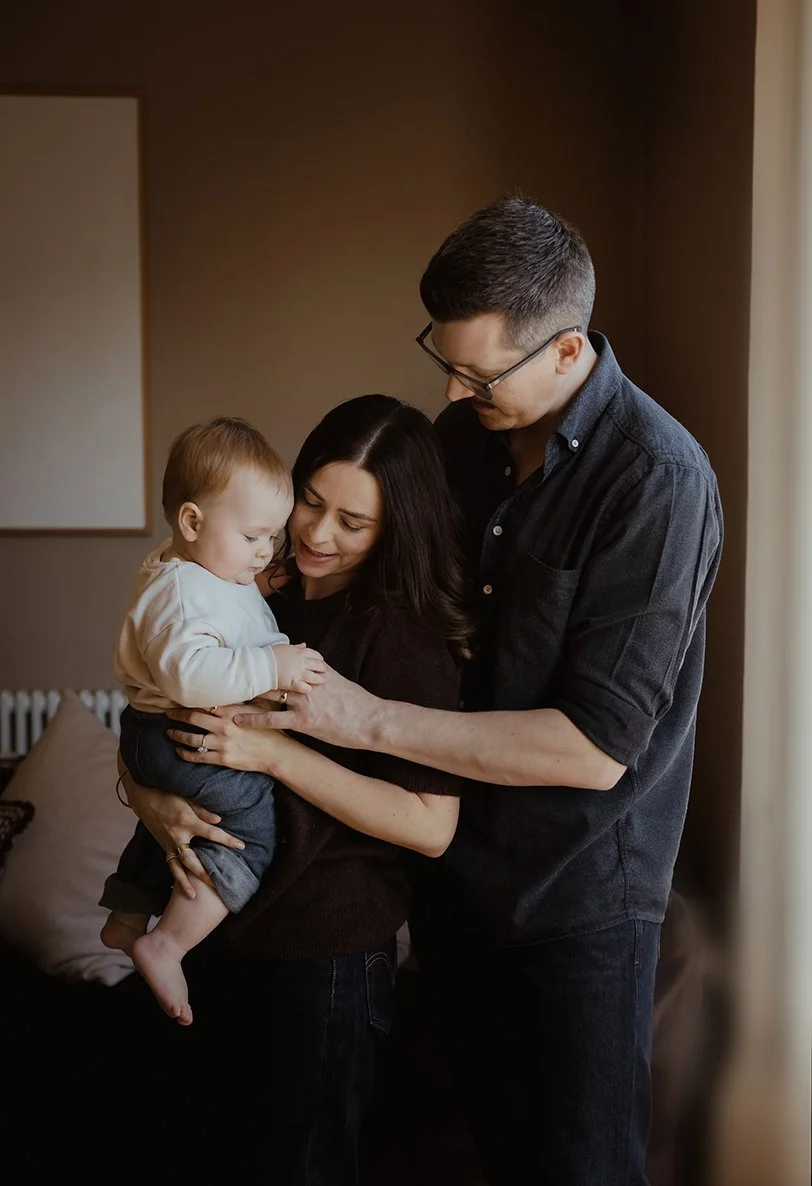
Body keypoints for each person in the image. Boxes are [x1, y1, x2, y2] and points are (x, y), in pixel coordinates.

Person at [224, 198, 724, 1186]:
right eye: (442, 359)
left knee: (581, 1168)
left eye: (478, 372)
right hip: (459, 878)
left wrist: (358, 719)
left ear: (567, 348)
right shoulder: (462, 442)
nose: (453, 388)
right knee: (488, 1153)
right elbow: (394, 583)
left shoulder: (654, 481)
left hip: (580, 895)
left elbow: (593, 744)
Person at [117, 394, 471, 1186]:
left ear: (395, 529)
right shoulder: (249, 584)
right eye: (311, 501)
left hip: (322, 957)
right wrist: (147, 799)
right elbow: (154, 709)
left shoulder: (401, 635)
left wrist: (271, 753)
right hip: (219, 936)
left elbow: (430, 825)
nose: (315, 534)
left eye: (353, 522)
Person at [100, 416, 326, 1024]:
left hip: (160, 736)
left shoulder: (210, 571)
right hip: (174, 734)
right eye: (255, 536)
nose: (265, 553)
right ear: (193, 523)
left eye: (272, 537)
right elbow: (189, 676)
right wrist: (273, 666)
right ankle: (166, 944)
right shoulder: (183, 591)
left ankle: (127, 916)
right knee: (249, 836)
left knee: (182, 827)